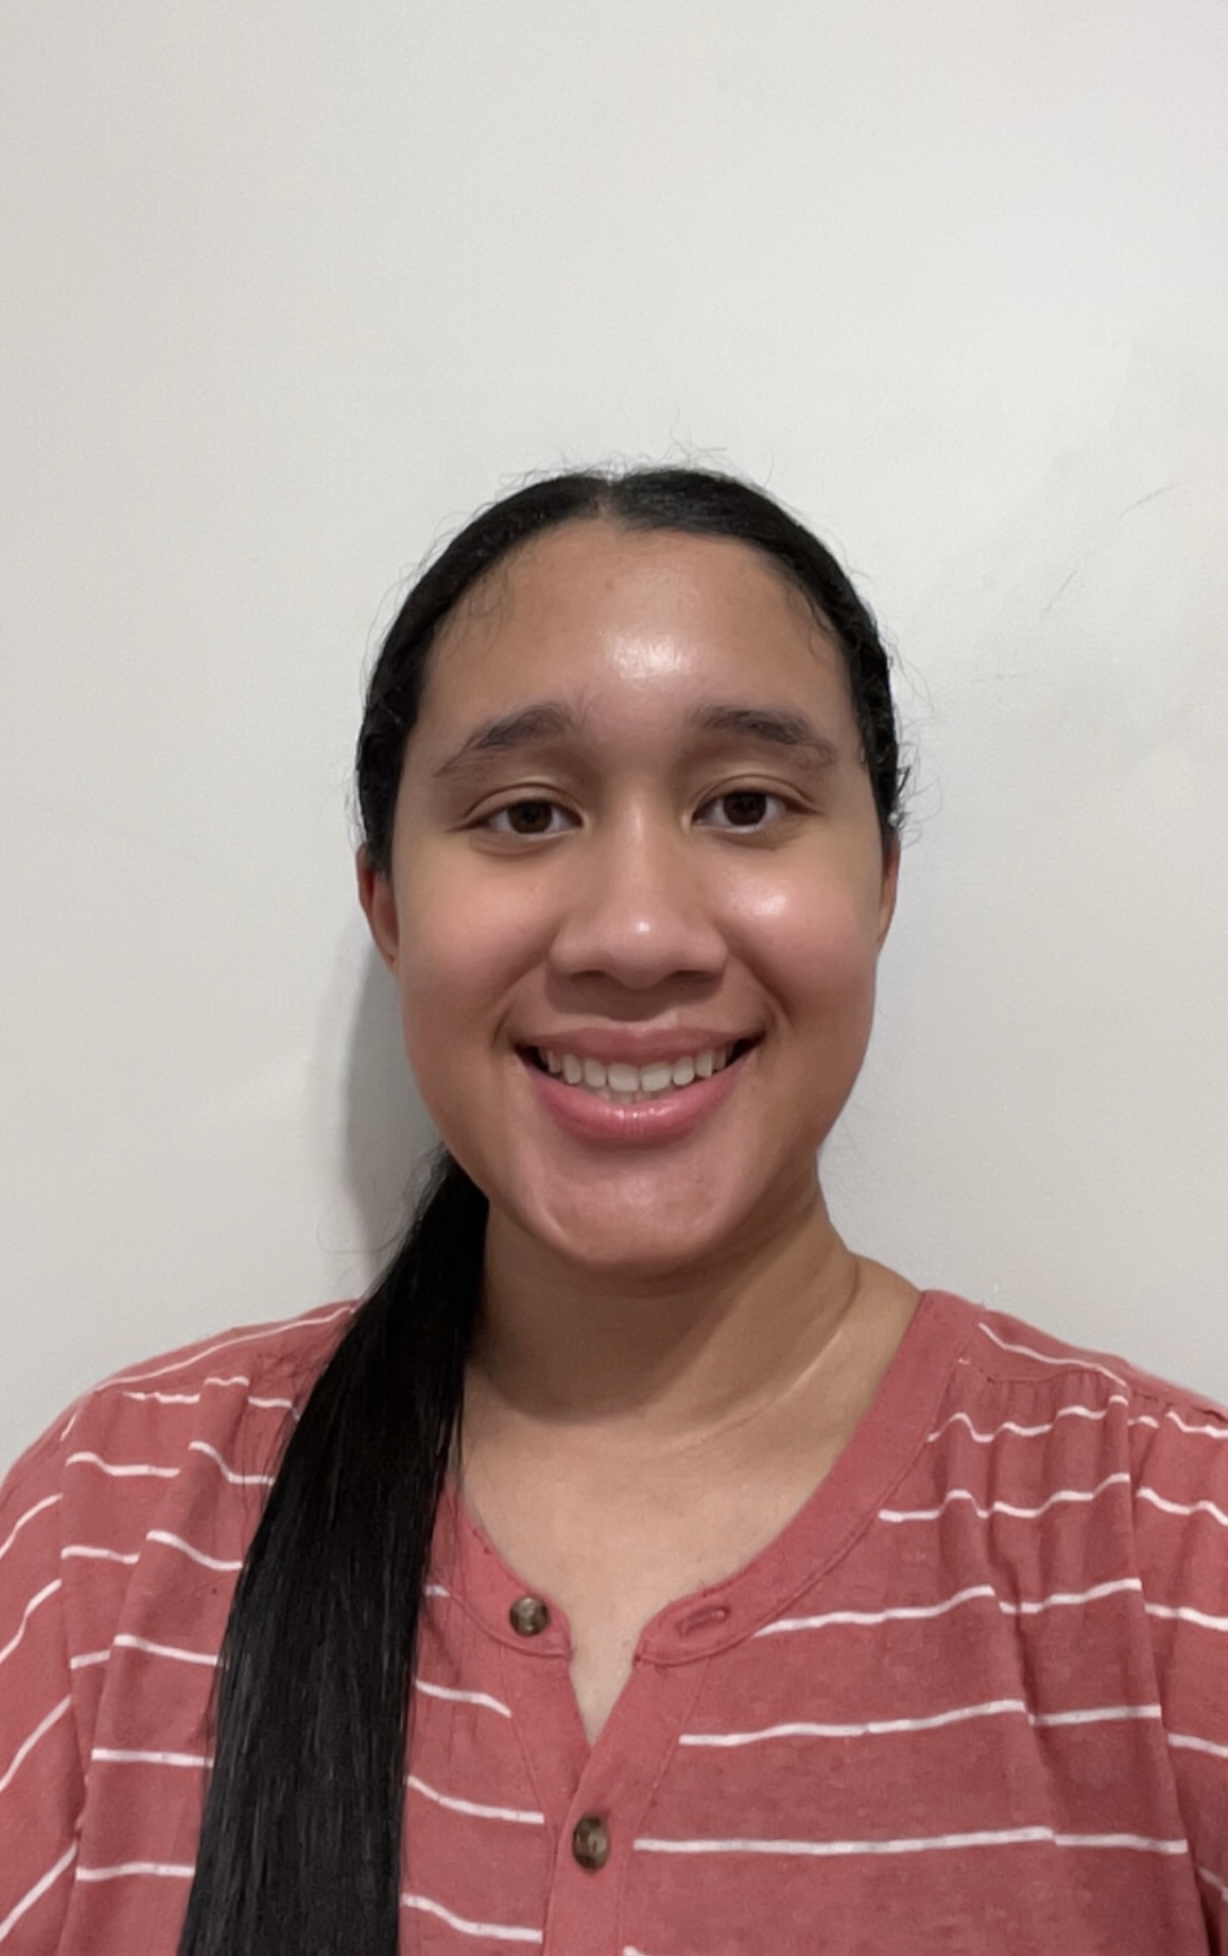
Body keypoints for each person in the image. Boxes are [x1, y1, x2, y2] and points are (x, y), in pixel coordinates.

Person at [1, 466, 1226, 1956]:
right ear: (388, 907)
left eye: (747, 805)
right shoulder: (104, 1537)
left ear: (882, 883)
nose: (636, 935)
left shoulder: (1171, 1552)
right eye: (526, 813)